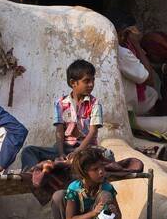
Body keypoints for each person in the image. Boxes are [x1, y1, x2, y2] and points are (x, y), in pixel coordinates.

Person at [21, 59, 143, 202]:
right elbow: (59, 131)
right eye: (86, 81)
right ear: (73, 83)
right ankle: (36, 172)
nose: (91, 85)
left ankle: (60, 165)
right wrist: (60, 153)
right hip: (65, 149)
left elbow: (92, 133)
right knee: (29, 151)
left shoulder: (95, 104)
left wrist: (77, 152)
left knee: (107, 155)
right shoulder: (61, 103)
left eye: (92, 80)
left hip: (85, 149)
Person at [112, 15, 167, 139]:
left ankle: (135, 123)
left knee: (151, 93)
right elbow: (148, 79)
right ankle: (132, 125)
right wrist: (137, 44)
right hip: (121, 116)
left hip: (112, 111)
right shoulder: (122, 52)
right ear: (123, 33)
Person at [41, 147, 123, 219]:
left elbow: (119, 217)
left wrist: (114, 213)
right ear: (85, 173)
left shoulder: (107, 187)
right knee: (58, 195)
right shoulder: (74, 188)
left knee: (105, 195)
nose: (101, 171)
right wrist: (93, 213)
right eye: (95, 169)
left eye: (102, 167)